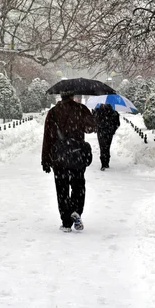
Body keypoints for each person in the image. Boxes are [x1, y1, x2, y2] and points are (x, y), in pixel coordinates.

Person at [41, 93, 96, 232]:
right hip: (77, 155)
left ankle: (66, 222)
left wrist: (45, 160)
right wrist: (91, 118)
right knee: (78, 185)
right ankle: (76, 210)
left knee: (62, 189)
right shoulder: (81, 109)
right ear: (73, 96)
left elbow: (47, 137)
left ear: (61, 96)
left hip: (59, 157)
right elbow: (91, 128)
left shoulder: (53, 113)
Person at [93, 103, 120, 170]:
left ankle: (103, 162)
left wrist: (97, 127)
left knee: (102, 147)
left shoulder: (98, 111)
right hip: (109, 132)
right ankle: (106, 161)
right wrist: (113, 130)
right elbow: (117, 123)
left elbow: (94, 120)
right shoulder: (113, 112)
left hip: (101, 131)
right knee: (107, 146)